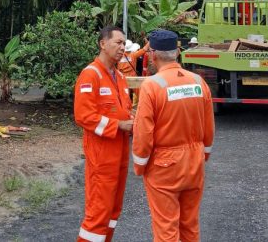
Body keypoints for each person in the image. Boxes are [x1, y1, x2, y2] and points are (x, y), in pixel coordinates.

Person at [132, 29, 215, 242]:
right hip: (194, 162)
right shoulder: (198, 81)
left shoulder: (152, 86)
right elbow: (209, 125)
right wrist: (204, 154)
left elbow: (143, 132)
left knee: (166, 228)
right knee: (189, 225)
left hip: (164, 166)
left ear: (152, 54)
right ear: (177, 52)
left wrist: (140, 165)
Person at [74, 25, 133, 242]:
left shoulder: (120, 77)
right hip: (102, 155)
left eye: (124, 44)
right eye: (118, 43)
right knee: (98, 213)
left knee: (113, 212)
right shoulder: (91, 74)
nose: (122, 48)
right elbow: (83, 115)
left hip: (120, 153)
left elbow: (123, 110)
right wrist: (119, 125)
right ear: (102, 44)